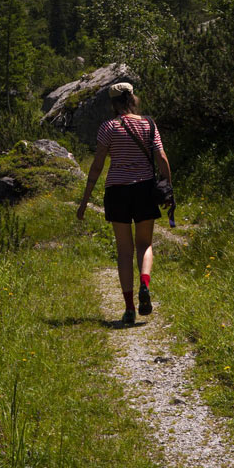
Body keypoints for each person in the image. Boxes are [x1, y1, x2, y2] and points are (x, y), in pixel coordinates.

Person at [76, 81, 174, 326]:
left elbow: (97, 165)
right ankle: (144, 283)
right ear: (133, 98)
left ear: (113, 103)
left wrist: (85, 200)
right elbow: (161, 158)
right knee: (145, 244)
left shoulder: (108, 127)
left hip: (117, 191)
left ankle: (129, 308)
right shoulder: (149, 124)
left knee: (124, 250)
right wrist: (168, 189)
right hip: (144, 188)